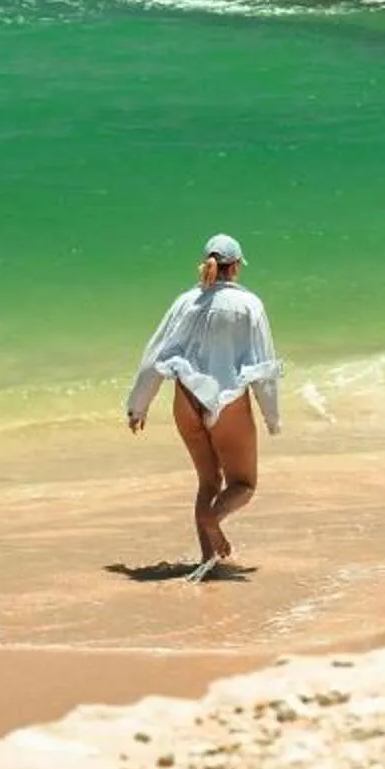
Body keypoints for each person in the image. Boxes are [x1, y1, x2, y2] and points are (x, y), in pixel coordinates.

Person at [125, 234, 281, 576]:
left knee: (208, 481)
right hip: (227, 401)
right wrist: (271, 416)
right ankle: (212, 522)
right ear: (236, 266)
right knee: (244, 485)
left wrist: (138, 405)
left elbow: (155, 354)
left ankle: (208, 561)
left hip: (186, 400)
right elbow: (263, 365)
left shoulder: (185, 301)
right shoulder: (250, 305)